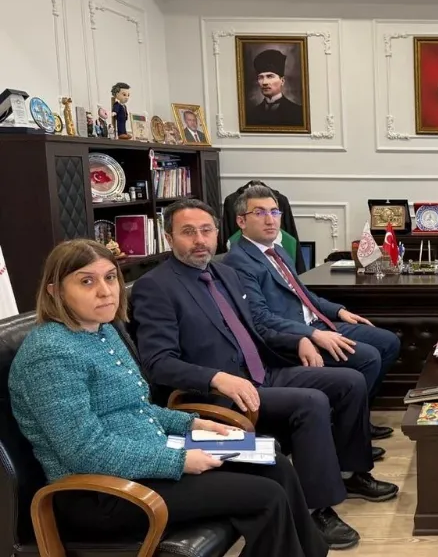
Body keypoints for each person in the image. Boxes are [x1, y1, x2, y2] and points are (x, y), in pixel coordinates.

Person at [8, 239, 332, 556]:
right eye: (86, 282)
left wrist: (194, 424)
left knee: (272, 459)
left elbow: (135, 409)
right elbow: (84, 451)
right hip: (102, 493)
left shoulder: (103, 329)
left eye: (110, 277)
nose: (105, 291)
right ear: (55, 291)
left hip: (147, 457)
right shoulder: (50, 353)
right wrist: (179, 461)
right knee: (266, 496)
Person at [131, 199, 398, 550]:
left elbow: (256, 325)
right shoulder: (156, 286)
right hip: (220, 392)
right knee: (311, 402)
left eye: (206, 230)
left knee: (349, 381)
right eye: (188, 232)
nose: (199, 240)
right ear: (169, 238)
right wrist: (215, 378)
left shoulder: (224, 273)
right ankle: (316, 510)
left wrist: (299, 338)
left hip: (262, 371)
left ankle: (350, 473)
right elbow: (158, 363)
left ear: (217, 233)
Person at [223, 184, 400, 441]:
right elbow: (260, 318)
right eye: (259, 213)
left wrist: (339, 311)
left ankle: (355, 420)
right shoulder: (239, 261)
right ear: (241, 221)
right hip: (292, 337)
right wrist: (311, 335)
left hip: (317, 322)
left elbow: (303, 294)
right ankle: (348, 433)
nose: (270, 220)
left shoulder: (277, 250)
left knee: (388, 342)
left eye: (274, 212)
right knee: (369, 357)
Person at [245, 49, 305, 127]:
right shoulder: (251, 114)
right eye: (260, 77)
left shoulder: (298, 112)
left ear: (282, 81)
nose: (264, 82)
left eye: (270, 76)